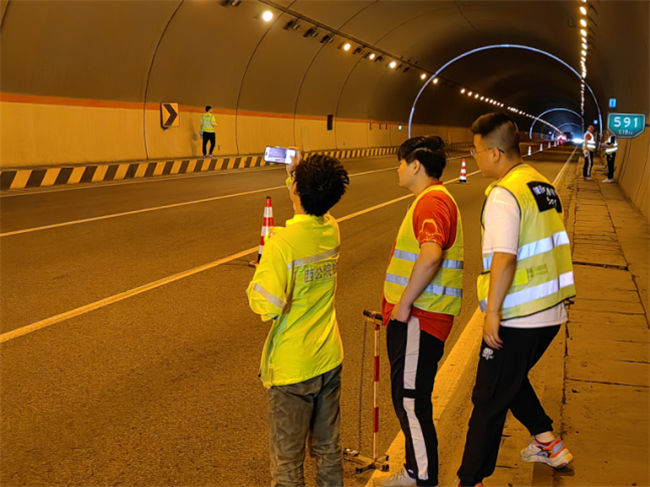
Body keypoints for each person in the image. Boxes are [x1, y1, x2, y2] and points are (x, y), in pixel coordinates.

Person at [455, 113, 576, 487]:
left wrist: (493, 312)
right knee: (509, 380)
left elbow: (504, 257)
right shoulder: (540, 184)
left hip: (520, 312)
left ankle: (469, 480)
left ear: (494, 153)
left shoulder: (504, 195)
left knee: (488, 396)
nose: (475, 158)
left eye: (476, 151)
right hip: (551, 309)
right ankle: (547, 442)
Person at [247, 151, 350, 487]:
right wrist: (295, 176)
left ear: (296, 189)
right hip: (328, 356)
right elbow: (315, 207)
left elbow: (266, 305)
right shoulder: (331, 229)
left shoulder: (281, 244)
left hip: (293, 367)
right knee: (328, 448)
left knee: (288, 463)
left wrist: (263, 267)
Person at [375, 136, 464, 487]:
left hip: (420, 318)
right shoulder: (432, 199)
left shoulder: (432, 202)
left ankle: (424, 479)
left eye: (400, 162)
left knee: (411, 402)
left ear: (415, 165)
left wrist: (404, 304)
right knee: (407, 399)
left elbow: (430, 255)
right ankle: (415, 471)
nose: (397, 169)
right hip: (419, 317)